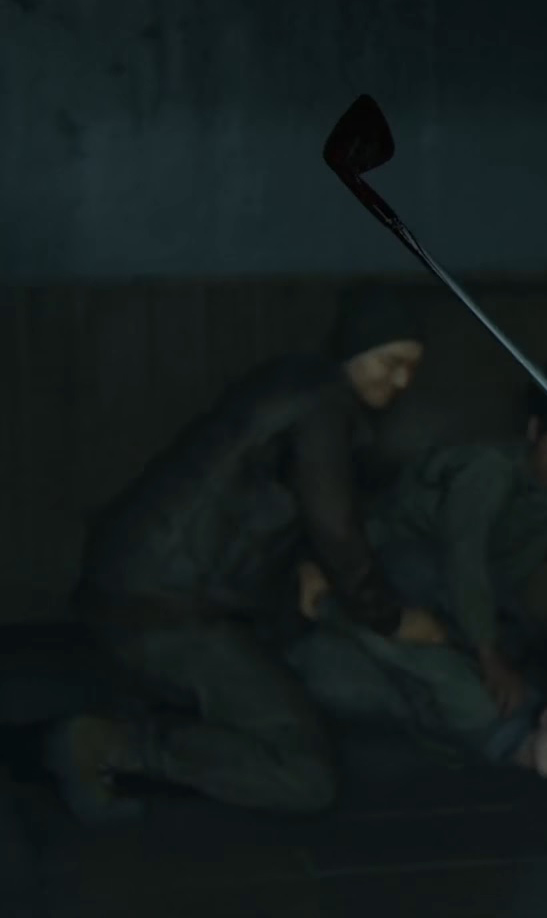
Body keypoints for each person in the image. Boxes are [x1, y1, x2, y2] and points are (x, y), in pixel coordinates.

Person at [46, 287, 445, 821]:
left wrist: (304, 562)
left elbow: (264, 498)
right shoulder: (323, 406)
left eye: (411, 369)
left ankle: (153, 722)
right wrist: (391, 617)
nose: (400, 382)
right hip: (166, 613)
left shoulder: (295, 384)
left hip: (134, 589)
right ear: (354, 350)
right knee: (306, 776)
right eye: (390, 362)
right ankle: (116, 745)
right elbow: (335, 525)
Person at [363, 357, 547, 717]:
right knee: (465, 627)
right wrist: (488, 653)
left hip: (461, 582)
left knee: (522, 643)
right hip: (406, 555)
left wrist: (496, 632)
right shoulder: (488, 470)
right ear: (534, 431)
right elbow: (464, 558)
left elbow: (509, 574)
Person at [286, 557, 547, 780]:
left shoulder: (509, 751)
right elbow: (412, 656)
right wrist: (325, 605)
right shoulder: (484, 708)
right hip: (351, 646)